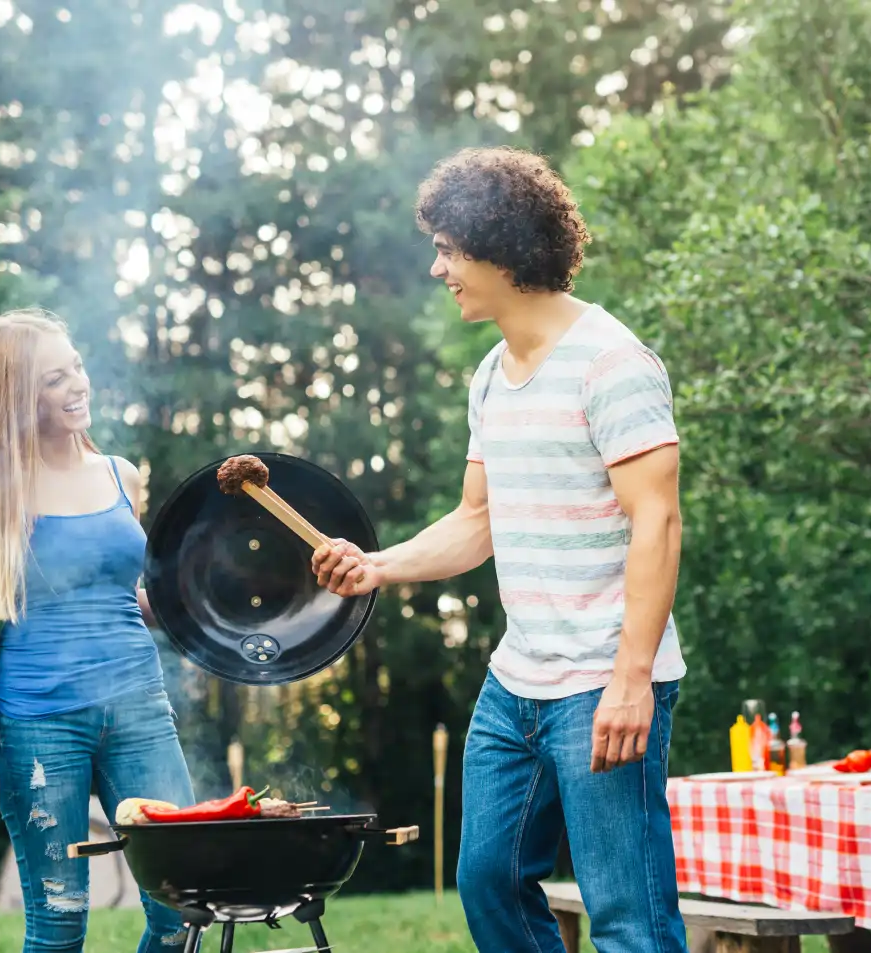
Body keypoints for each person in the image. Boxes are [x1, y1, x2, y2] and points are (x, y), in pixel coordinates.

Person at [311, 146, 689, 952]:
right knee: (487, 880)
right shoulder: (491, 373)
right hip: (517, 684)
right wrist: (378, 565)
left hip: (602, 682)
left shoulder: (614, 364)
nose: (436, 266)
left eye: (448, 248)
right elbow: (478, 518)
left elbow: (658, 522)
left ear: (503, 245)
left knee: (628, 915)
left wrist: (630, 680)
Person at [0, 309, 195, 953]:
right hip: (39, 722)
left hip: (139, 708)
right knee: (58, 921)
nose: (78, 384)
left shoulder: (120, 474)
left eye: (76, 366)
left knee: (184, 905)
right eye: (55, 379)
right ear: (19, 398)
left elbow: (121, 594)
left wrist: (199, 602)